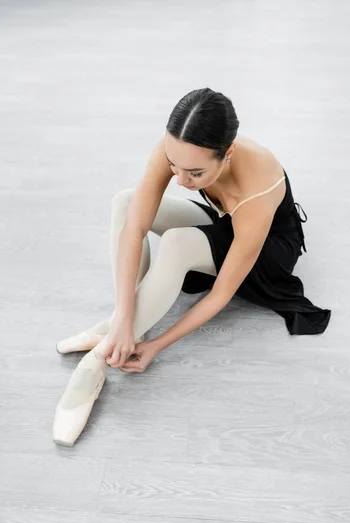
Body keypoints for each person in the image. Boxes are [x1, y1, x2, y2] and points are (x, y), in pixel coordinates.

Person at [53, 87, 331, 446]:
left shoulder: (259, 183)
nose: (181, 181)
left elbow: (220, 295)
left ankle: (94, 364)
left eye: (195, 174)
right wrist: (123, 315)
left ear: (227, 154)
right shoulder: (179, 148)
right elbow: (134, 228)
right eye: (174, 167)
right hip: (224, 221)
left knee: (177, 243)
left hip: (266, 254)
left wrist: (157, 346)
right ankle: (120, 329)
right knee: (126, 203)